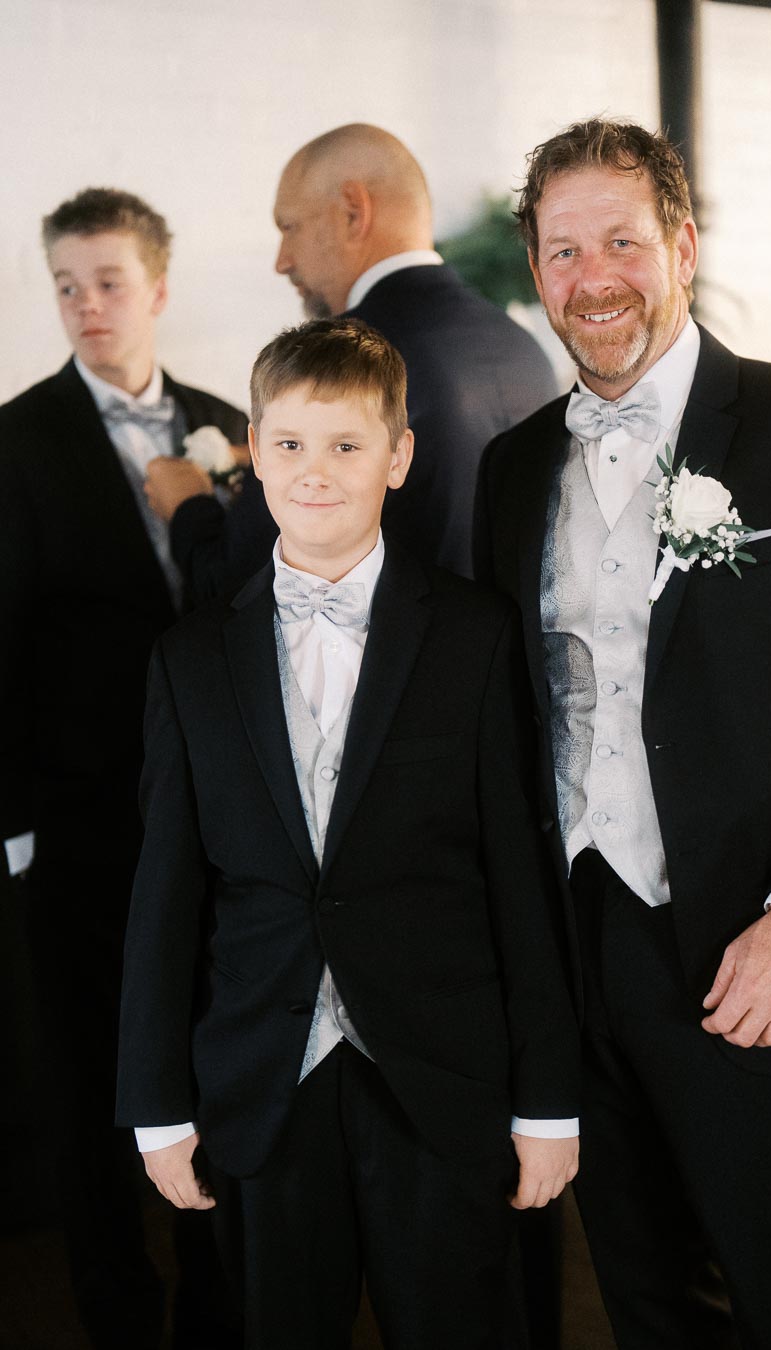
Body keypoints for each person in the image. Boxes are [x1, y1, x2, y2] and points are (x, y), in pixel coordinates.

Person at [475, 118, 771, 1349]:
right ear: (536, 271)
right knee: (647, 1304)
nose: (593, 278)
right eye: (563, 251)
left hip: (747, 948)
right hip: (575, 954)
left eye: (622, 241)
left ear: (682, 248)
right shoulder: (512, 469)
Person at [116, 317, 581, 1350]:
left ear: (398, 457)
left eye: (346, 445)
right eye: (289, 443)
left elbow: (520, 877)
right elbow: (166, 895)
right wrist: (156, 1103)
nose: (314, 471)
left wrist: (548, 1100)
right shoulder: (190, 659)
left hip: (440, 1079)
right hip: (262, 1082)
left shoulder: (474, 635)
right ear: (252, 451)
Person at [0, 187, 247, 1350]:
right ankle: (115, 1316)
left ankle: (216, 1312)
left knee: (209, 1064)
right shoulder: (14, 441)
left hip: (219, 819)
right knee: (90, 1086)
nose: (86, 306)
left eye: (107, 282)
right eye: (66, 286)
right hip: (79, 822)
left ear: (157, 288)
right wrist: (16, 826)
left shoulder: (228, 424)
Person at [145, 122, 558, 592]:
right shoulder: (524, 349)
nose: (282, 261)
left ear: (352, 212)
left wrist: (187, 507)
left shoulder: (342, 363)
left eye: (289, 228)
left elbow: (239, 578)